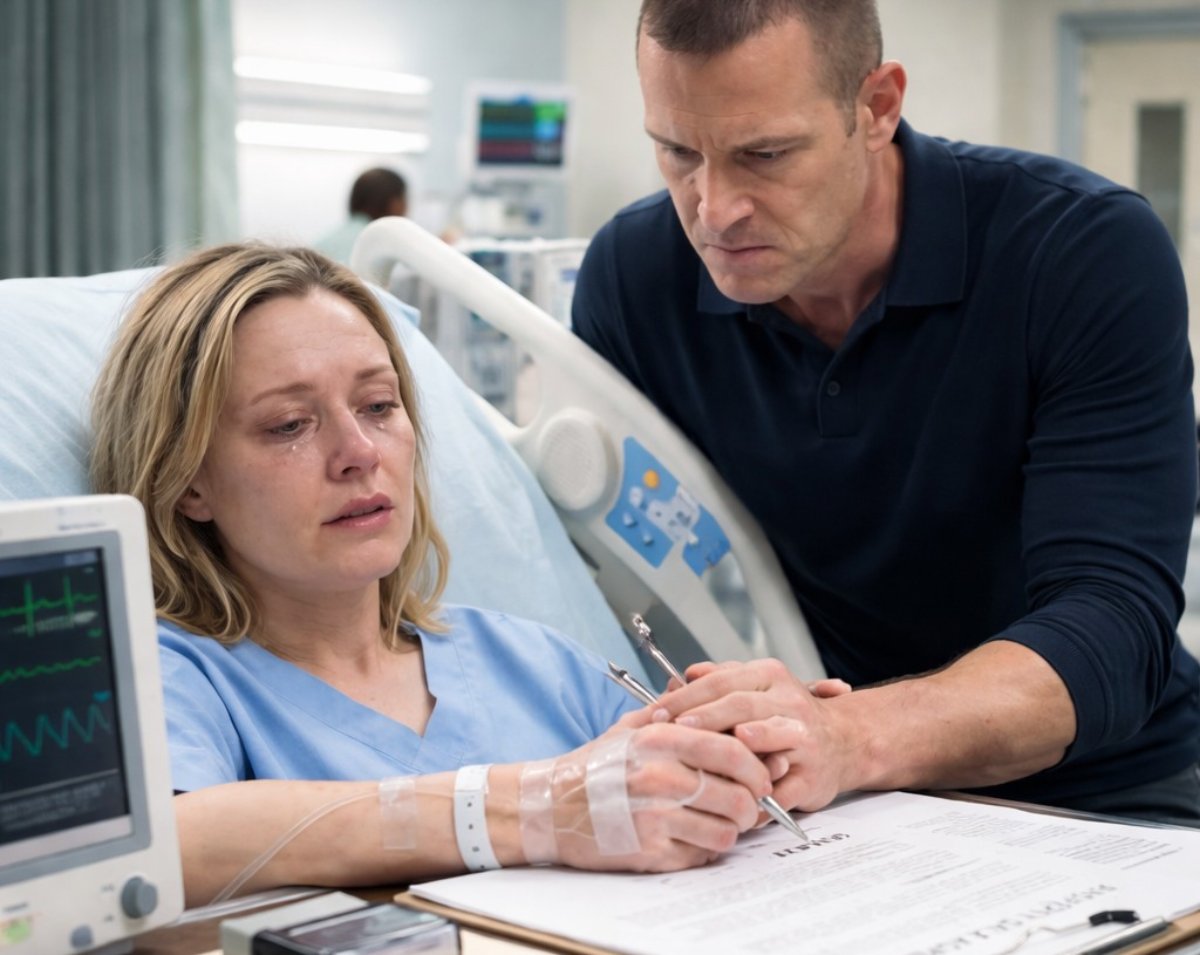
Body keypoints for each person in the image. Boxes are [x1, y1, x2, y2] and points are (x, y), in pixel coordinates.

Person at [571, 0, 1200, 827]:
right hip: (838, 796)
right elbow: (605, 581)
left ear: (875, 108)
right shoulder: (635, 277)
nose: (715, 209)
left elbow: (1111, 628)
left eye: (765, 154)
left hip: (1107, 783)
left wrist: (844, 733)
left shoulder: (1077, 252)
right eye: (678, 151)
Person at [88, 242, 777, 907]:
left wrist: (755, 751)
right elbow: (158, 847)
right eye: (290, 424)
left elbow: (669, 784)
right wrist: (540, 807)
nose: (359, 452)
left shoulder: (530, 661)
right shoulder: (169, 675)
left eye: (379, 405)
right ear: (189, 483)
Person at [313, 167, 409, 265]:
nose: (406, 206)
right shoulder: (383, 248)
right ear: (394, 204)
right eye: (404, 198)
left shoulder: (323, 242)